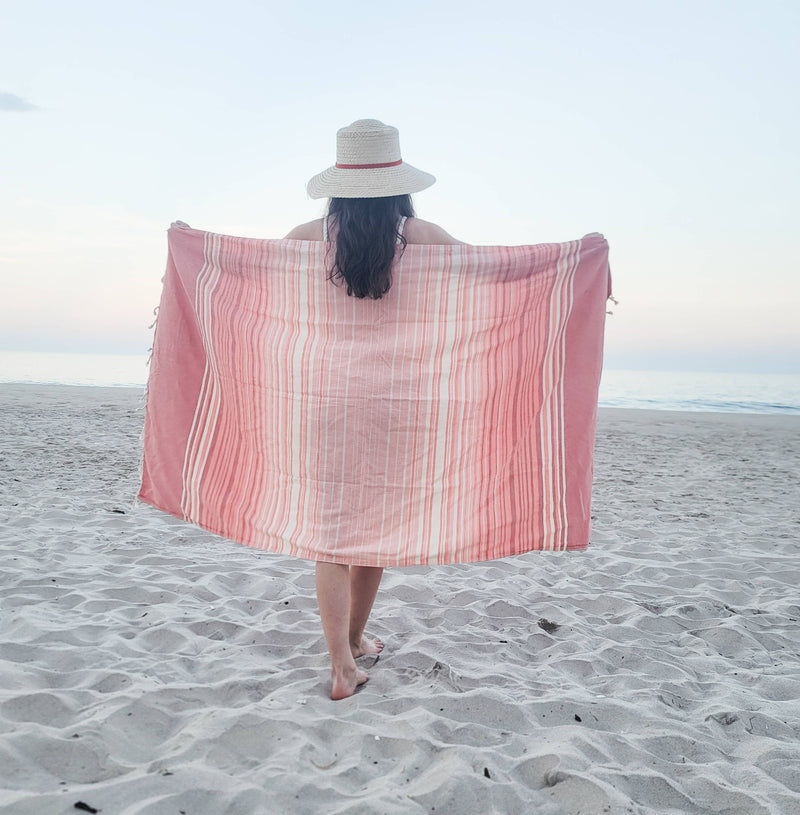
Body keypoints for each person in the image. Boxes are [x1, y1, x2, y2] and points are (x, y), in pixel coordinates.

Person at [284, 119, 463, 699]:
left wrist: (189, 243)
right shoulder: (423, 236)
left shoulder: (307, 237)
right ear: (398, 183)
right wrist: (580, 260)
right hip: (395, 400)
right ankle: (355, 641)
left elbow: (241, 282)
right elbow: (509, 275)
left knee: (330, 533)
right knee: (372, 529)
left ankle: (343, 663)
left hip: (325, 398)